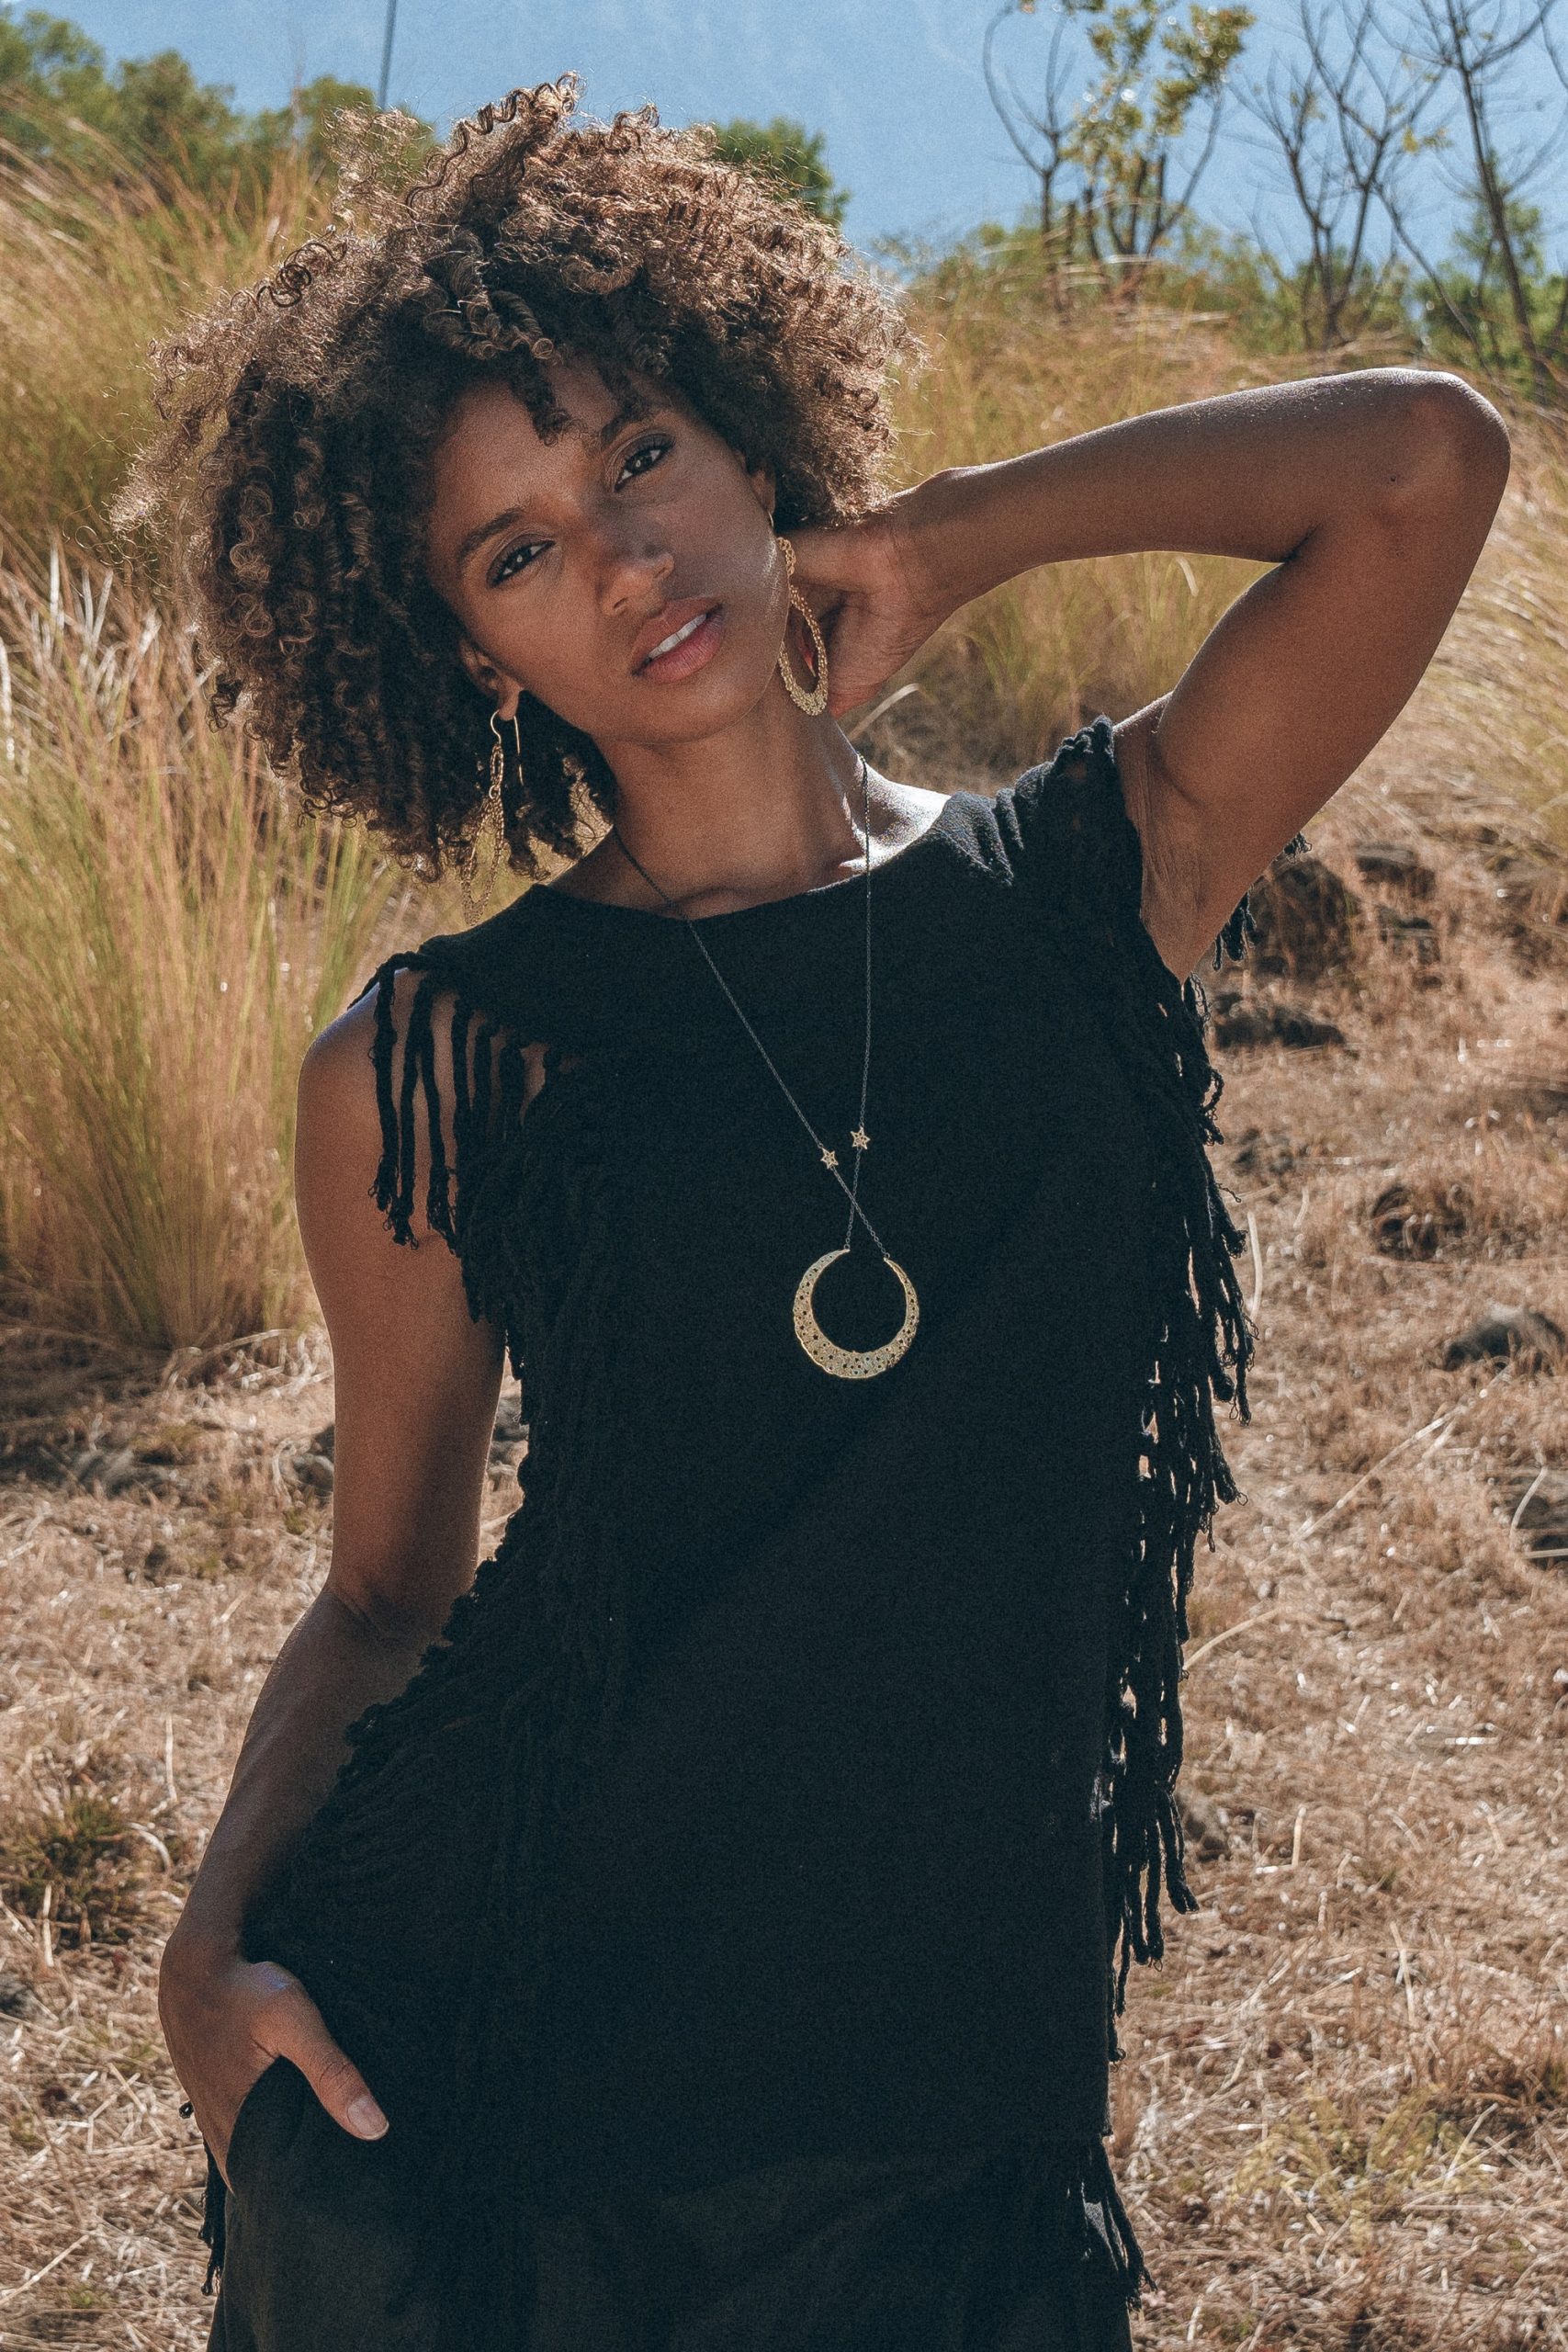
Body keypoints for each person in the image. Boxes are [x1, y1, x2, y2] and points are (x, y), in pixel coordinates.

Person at [117, 73, 1509, 2352]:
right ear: (473, 651)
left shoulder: (1091, 881)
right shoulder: (441, 1057)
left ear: (749, 438)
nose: (620, 561)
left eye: (639, 453)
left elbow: (1419, 465)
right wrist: (205, 1947)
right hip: (508, 2106)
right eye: (514, 552)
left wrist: (954, 535)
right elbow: (383, 1590)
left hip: (957, 2109)